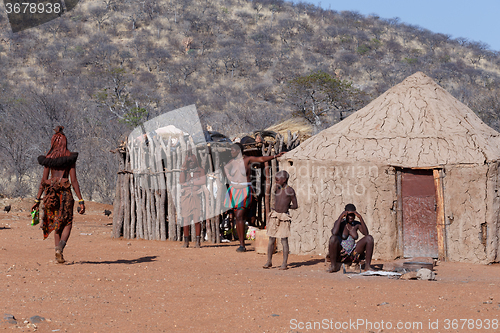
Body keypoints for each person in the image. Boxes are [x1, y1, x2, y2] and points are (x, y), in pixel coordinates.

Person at [31, 126, 85, 263]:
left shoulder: (48, 159)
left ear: (53, 143)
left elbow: (43, 181)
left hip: (51, 195)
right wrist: (81, 200)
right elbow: (73, 181)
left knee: (56, 222)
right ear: (64, 143)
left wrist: (37, 199)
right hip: (65, 194)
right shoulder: (69, 158)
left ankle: (56, 251)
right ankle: (60, 248)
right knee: (67, 222)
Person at [223, 142, 284, 252]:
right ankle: (241, 244)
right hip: (233, 190)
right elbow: (225, 168)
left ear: (238, 151)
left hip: (244, 190)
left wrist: (275, 156)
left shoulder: (247, 160)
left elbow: (261, 159)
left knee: (240, 214)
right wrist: (229, 177)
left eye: (233, 150)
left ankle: (242, 244)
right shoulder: (232, 162)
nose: (231, 152)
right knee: (237, 216)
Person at [263, 170, 298, 270]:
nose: (276, 181)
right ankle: (269, 261)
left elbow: (295, 205)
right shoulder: (277, 189)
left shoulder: (290, 191)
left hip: (284, 217)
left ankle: (284, 263)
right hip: (274, 215)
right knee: (271, 239)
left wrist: (286, 207)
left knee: (284, 240)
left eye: (278, 179)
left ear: (284, 179)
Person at [327, 204, 374, 273]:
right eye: (349, 215)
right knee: (333, 238)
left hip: (353, 253)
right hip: (341, 253)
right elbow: (334, 233)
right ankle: (333, 266)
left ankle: (367, 266)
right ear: (345, 214)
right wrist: (340, 217)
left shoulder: (356, 224)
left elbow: (366, 233)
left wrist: (360, 218)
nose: (351, 217)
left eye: (353, 214)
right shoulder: (341, 222)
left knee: (369, 238)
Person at [179, 152, 206, 248]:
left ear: (195, 160)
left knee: (196, 219)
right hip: (186, 197)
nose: (191, 162)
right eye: (188, 160)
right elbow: (182, 182)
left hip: (196, 196)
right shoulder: (184, 171)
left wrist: (191, 182)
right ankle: (186, 242)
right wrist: (183, 166)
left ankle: (198, 242)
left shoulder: (200, 170)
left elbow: (203, 181)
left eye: (192, 160)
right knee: (185, 219)